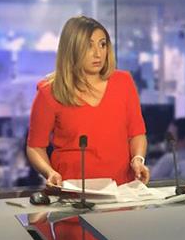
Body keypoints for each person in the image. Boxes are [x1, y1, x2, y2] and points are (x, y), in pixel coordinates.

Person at [26, 16, 150, 187]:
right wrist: (50, 172)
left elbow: (137, 133)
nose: (98, 53)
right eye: (88, 46)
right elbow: (35, 147)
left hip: (121, 190)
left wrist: (138, 159)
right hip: (74, 191)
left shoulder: (123, 82)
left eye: (102, 44)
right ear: (72, 49)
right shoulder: (49, 92)